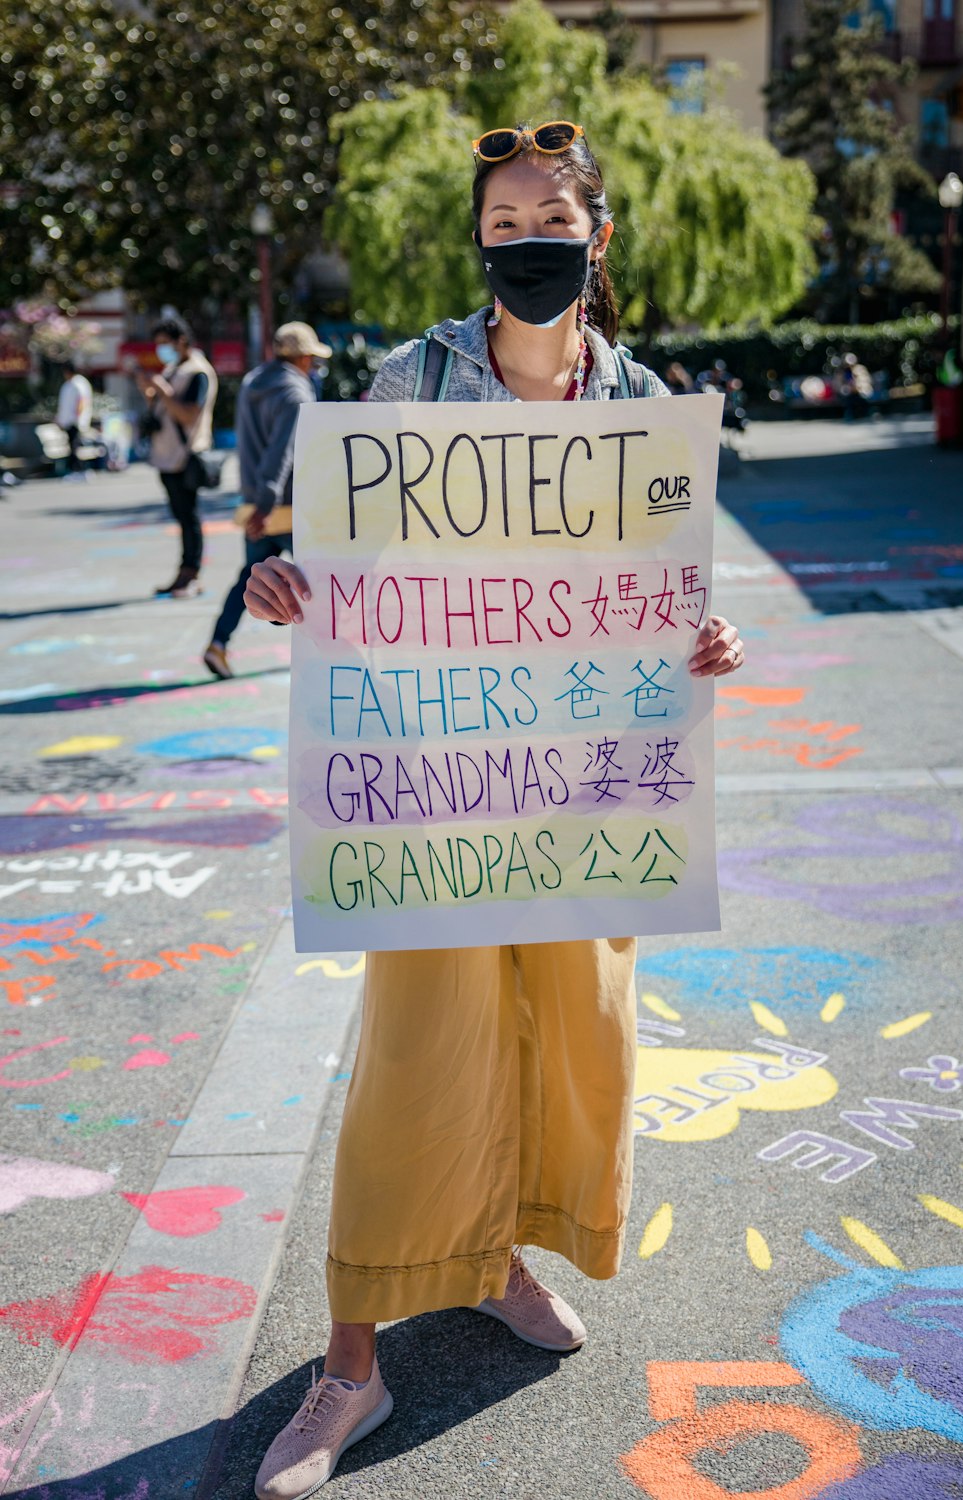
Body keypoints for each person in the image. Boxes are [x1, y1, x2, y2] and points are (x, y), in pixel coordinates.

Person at [244, 121, 746, 1500]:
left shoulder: (637, 394)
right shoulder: (413, 377)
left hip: (582, 792)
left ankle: (495, 1260)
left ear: (597, 236)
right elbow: (347, 559)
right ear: (483, 244)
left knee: (564, 1037)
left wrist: (709, 642)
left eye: (550, 217)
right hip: (432, 787)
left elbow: (665, 589)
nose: (528, 240)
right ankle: (353, 1364)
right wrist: (290, 582)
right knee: (421, 1053)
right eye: (505, 222)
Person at [202, 322, 331, 680]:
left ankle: (218, 643)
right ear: (303, 358)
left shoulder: (251, 383)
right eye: (312, 360)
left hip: (255, 504)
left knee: (253, 580)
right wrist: (267, 500)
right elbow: (282, 451)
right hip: (285, 508)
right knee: (319, 579)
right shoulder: (295, 392)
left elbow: (249, 445)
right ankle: (333, 654)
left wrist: (256, 501)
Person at [140, 315, 218, 598]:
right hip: (167, 455)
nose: (161, 350)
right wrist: (150, 392)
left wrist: (162, 389)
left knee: (189, 517)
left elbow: (187, 414)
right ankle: (183, 573)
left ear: (181, 341)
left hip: (186, 455)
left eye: (165, 343)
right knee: (181, 515)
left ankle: (191, 574)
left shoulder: (198, 372)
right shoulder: (174, 368)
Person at [55, 361, 93, 481]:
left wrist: (78, 417)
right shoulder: (69, 384)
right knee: (72, 446)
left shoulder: (78, 383)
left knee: (75, 446)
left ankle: (78, 471)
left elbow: (82, 401)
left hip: (75, 421)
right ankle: (77, 470)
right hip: (68, 421)